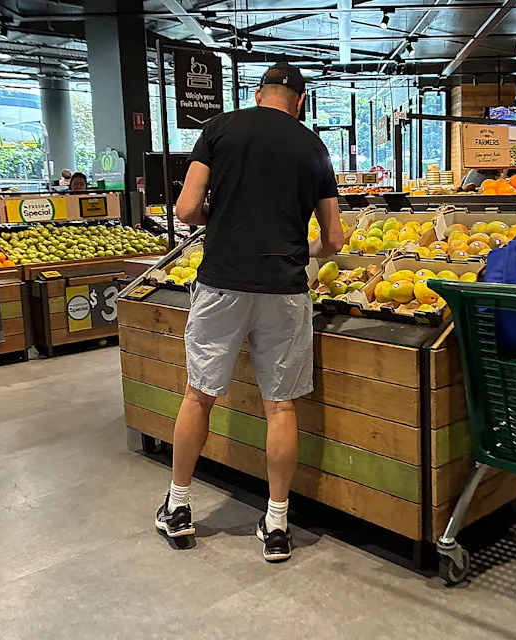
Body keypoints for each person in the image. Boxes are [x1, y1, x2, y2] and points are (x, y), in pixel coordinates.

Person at [155, 62, 344, 563]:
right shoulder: (313, 147)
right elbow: (334, 238)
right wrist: (301, 250)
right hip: (284, 289)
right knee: (280, 406)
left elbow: (186, 209)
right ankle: (277, 524)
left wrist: (222, 220)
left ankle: (179, 506)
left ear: (258, 94)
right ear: (299, 102)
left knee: (199, 396)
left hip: (222, 282)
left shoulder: (219, 129)